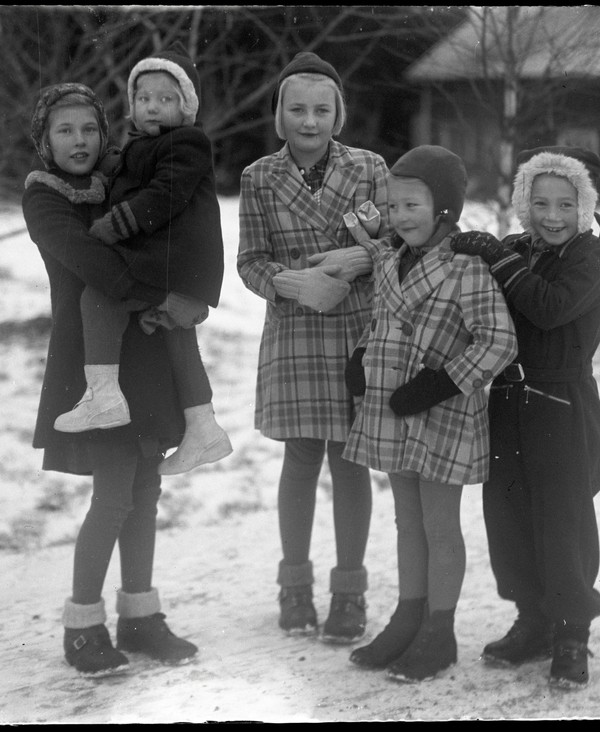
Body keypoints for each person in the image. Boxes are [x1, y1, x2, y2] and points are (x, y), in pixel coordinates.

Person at [23, 82, 199, 676]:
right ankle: (82, 625)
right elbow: (94, 263)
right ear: (45, 142)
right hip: (93, 366)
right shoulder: (44, 199)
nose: (80, 141)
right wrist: (163, 294)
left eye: (90, 129)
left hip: (143, 354)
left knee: (145, 494)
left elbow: (167, 236)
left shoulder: (121, 184)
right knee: (115, 495)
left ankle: (140, 616)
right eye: (65, 131)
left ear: (104, 133)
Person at [341, 145, 517, 683]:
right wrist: (360, 358)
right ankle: (408, 617)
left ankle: (439, 631)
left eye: (411, 206)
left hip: (442, 413)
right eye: (393, 206)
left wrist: (440, 384)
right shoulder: (390, 261)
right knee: (407, 522)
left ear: (444, 209)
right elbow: (381, 322)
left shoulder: (466, 267)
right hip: (393, 408)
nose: (399, 217)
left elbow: (499, 342)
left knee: (439, 526)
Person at [449, 146, 600, 690]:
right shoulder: (517, 249)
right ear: (524, 202)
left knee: (562, 521)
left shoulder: (594, 258)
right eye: (539, 203)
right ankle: (533, 619)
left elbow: (548, 307)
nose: (552, 216)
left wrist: (498, 258)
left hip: (561, 401)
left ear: (585, 204)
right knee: (509, 514)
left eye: (566, 204)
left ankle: (571, 633)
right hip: (506, 398)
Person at [237, 52, 389, 644]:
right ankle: (294, 586)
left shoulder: (370, 167)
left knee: (350, 459)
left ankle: (350, 592)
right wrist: (291, 283)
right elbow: (249, 261)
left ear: (337, 114)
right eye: (297, 109)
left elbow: (400, 241)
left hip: (357, 330)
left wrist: (357, 257)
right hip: (296, 331)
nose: (309, 121)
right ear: (280, 115)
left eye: (321, 110)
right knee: (301, 457)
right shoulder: (257, 177)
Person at [52, 43, 232, 477]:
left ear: (187, 107)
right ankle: (203, 427)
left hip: (174, 261)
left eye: (165, 99)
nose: (152, 107)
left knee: (100, 295)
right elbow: (125, 172)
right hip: (173, 266)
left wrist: (117, 223)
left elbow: (163, 195)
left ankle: (104, 394)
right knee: (178, 336)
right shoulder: (143, 145)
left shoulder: (187, 142)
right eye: (143, 97)